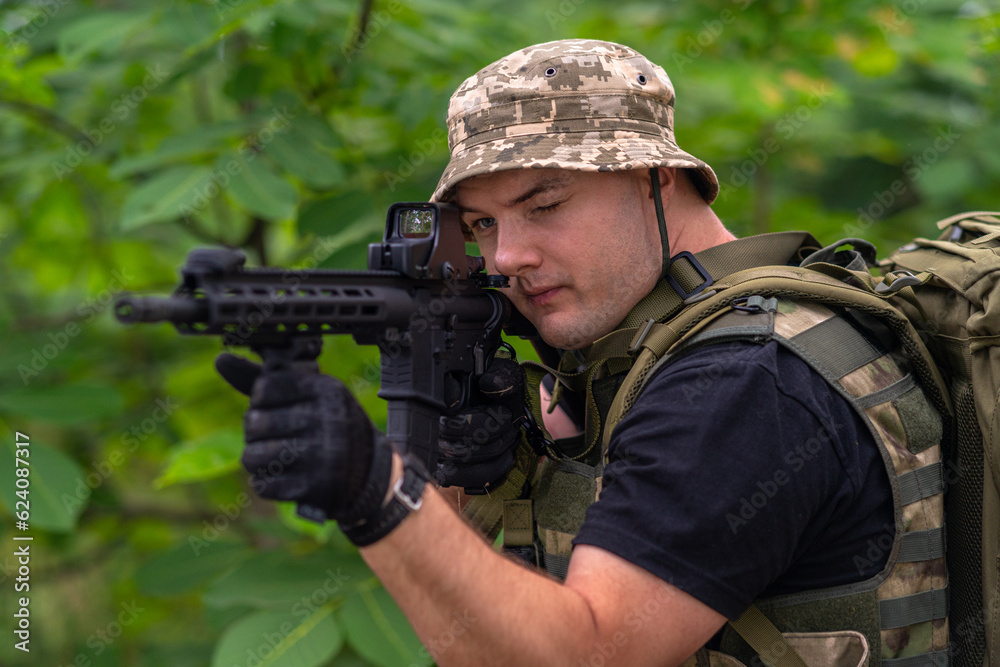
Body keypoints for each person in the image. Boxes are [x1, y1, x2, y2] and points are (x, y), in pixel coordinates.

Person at [217, 40, 948, 666]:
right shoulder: (633, 357)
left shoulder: (743, 381)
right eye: (480, 223)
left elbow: (591, 651)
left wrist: (373, 487)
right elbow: (481, 643)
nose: (509, 256)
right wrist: (467, 473)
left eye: (545, 205)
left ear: (655, 178)